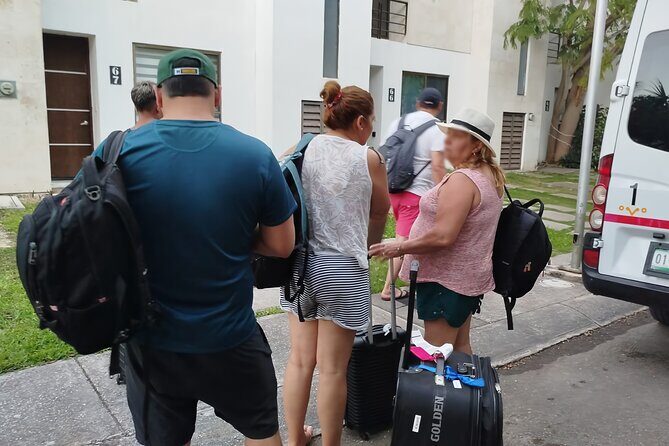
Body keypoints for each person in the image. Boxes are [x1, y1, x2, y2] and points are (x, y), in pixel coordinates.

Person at [91, 49, 295, 446]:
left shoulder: (116, 151)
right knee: (261, 433)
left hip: (151, 342)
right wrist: (238, 237)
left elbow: (90, 232)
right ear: (216, 95)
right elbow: (282, 244)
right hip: (230, 336)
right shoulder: (255, 154)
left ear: (159, 96)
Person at [280, 81, 390, 446]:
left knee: (299, 361)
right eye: (371, 122)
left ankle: (295, 438)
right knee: (332, 370)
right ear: (360, 122)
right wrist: (369, 246)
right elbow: (380, 210)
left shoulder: (300, 148)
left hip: (299, 267)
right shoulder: (369, 158)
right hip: (343, 268)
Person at [369, 108, 504, 354]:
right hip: (464, 279)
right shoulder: (488, 176)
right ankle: (469, 381)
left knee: (437, 352)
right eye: (447, 135)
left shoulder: (463, 180)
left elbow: (443, 236)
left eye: (456, 137)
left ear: (476, 146)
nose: (446, 142)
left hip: (445, 281)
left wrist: (399, 247)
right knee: (459, 347)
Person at [380, 87, 447, 301]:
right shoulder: (437, 129)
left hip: (394, 190)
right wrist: (444, 194)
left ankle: (412, 278)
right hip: (416, 195)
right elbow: (438, 167)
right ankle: (388, 289)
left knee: (409, 239)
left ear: (418, 103)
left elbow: (385, 155)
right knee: (404, 242)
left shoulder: (398, 122)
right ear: (439, 106)